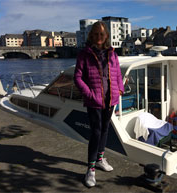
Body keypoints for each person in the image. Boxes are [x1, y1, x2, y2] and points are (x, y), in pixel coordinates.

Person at [74, 21, 124, 187]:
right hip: (94, 101)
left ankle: (100, 159)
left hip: (110, 99)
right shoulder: (84, 54)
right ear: (91, 36)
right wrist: (89, 94)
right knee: (95, 132)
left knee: (105, 129)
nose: (98, 37)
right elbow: (78, 77)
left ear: (106, 36)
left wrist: (120, 90)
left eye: (101, 34)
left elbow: (117, 73)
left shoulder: (112, 54)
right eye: (95, 34)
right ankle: (91, 169)